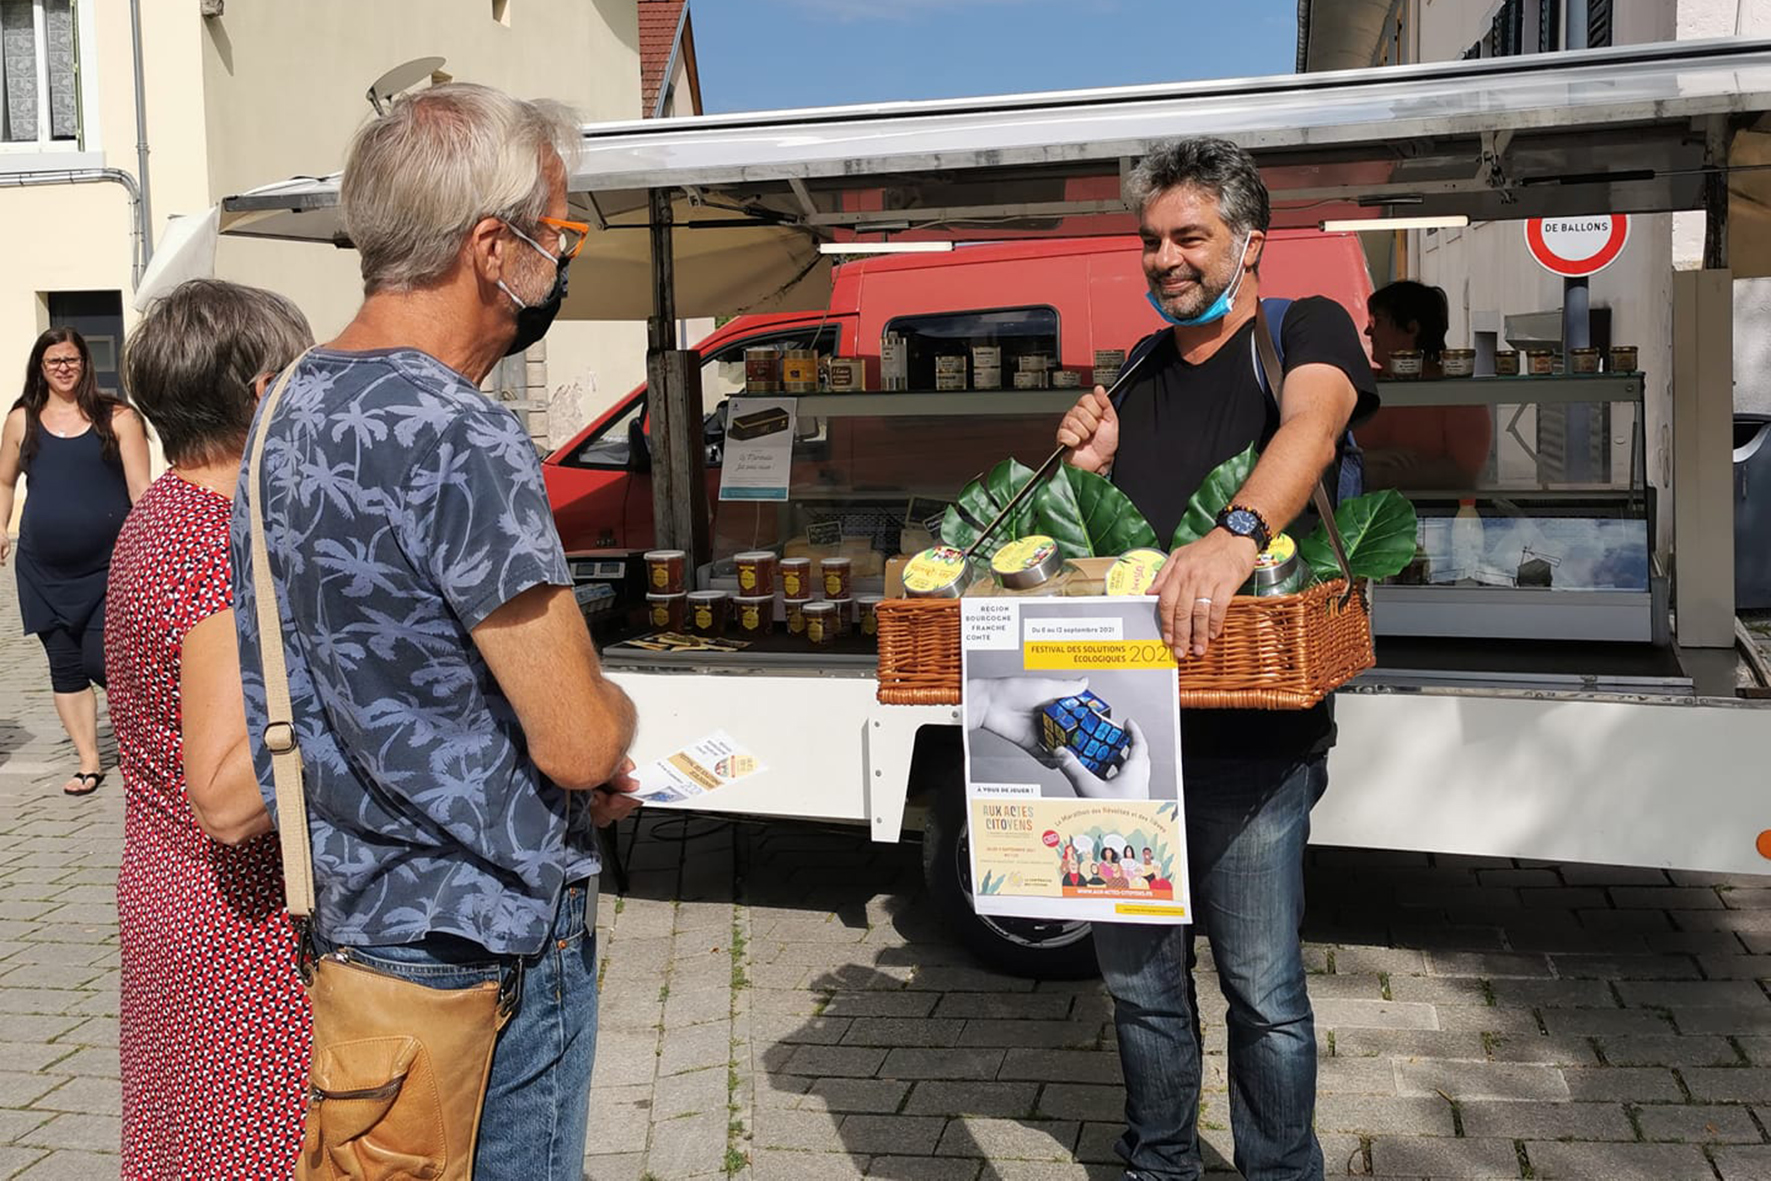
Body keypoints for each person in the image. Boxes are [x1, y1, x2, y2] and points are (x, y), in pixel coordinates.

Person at [229, 83, 642, 1175]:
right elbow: (577, 741)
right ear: (491, 248)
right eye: (559, 235)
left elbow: (375, 672)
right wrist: (616, 719)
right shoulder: (460, 432)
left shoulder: (284, 403)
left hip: (354, 925)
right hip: (487, 940)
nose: (562, 259)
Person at [1057, 136, 1377, 1181]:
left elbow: (1315, 426)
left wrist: (1237, 533)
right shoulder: (1140, 365)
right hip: (1121, 738)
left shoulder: (1300, 329)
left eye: (1188, 236)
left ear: (1249, 240)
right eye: (1150, 240)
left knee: (1262, 990)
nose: (1164, 258)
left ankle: (1279, 1168)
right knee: (1139, 988)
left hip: (1254, 737)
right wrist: (1089, 471)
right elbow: (1108, 558)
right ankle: (1159, 1162)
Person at [107, 279, 315, 1174]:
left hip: (172, 896)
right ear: (263, 391)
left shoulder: (159, 513)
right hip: (239, 926)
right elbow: (229, 798)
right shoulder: (215, 541)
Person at [0, 329, 149, 795]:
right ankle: (89, 761)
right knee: (64, 665)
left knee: (105, 661)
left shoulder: (118, 417)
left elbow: (140, 490)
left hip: (108, 568)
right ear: (40, 368)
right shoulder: (22, 420)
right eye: (53, 361)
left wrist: (150, 547)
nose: (63, 368)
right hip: (42, 570)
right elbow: (4, 481)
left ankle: (151, 741)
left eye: (71, 359)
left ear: (85, 363)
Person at [1358, 280, 1493, 490]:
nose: (1368, 332)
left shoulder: (1457, 394)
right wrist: (1364, 460)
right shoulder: (1358, 385)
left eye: (1378, 322)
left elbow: (1463, 475)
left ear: (1412, 328)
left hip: (1437, 510)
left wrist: (1366, 471)